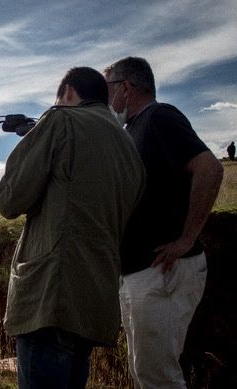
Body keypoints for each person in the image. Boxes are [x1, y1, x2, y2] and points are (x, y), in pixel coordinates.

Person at [0, 67, 145, 388]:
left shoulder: (59, 120)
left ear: (70, 93)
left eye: (59, 100)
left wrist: (38, 135)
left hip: (50, 302)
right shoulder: (129, 148)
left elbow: (9, 199)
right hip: (93, 306)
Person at [105, 57, 224, 388]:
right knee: (144, 371)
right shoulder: (133, 129)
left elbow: (210, 169)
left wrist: (186, 239)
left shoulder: (160, 117)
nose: (107, 97)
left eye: (109, 88)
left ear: (126, 88)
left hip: (162, 271)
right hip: (140, 273)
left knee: (157, 377)